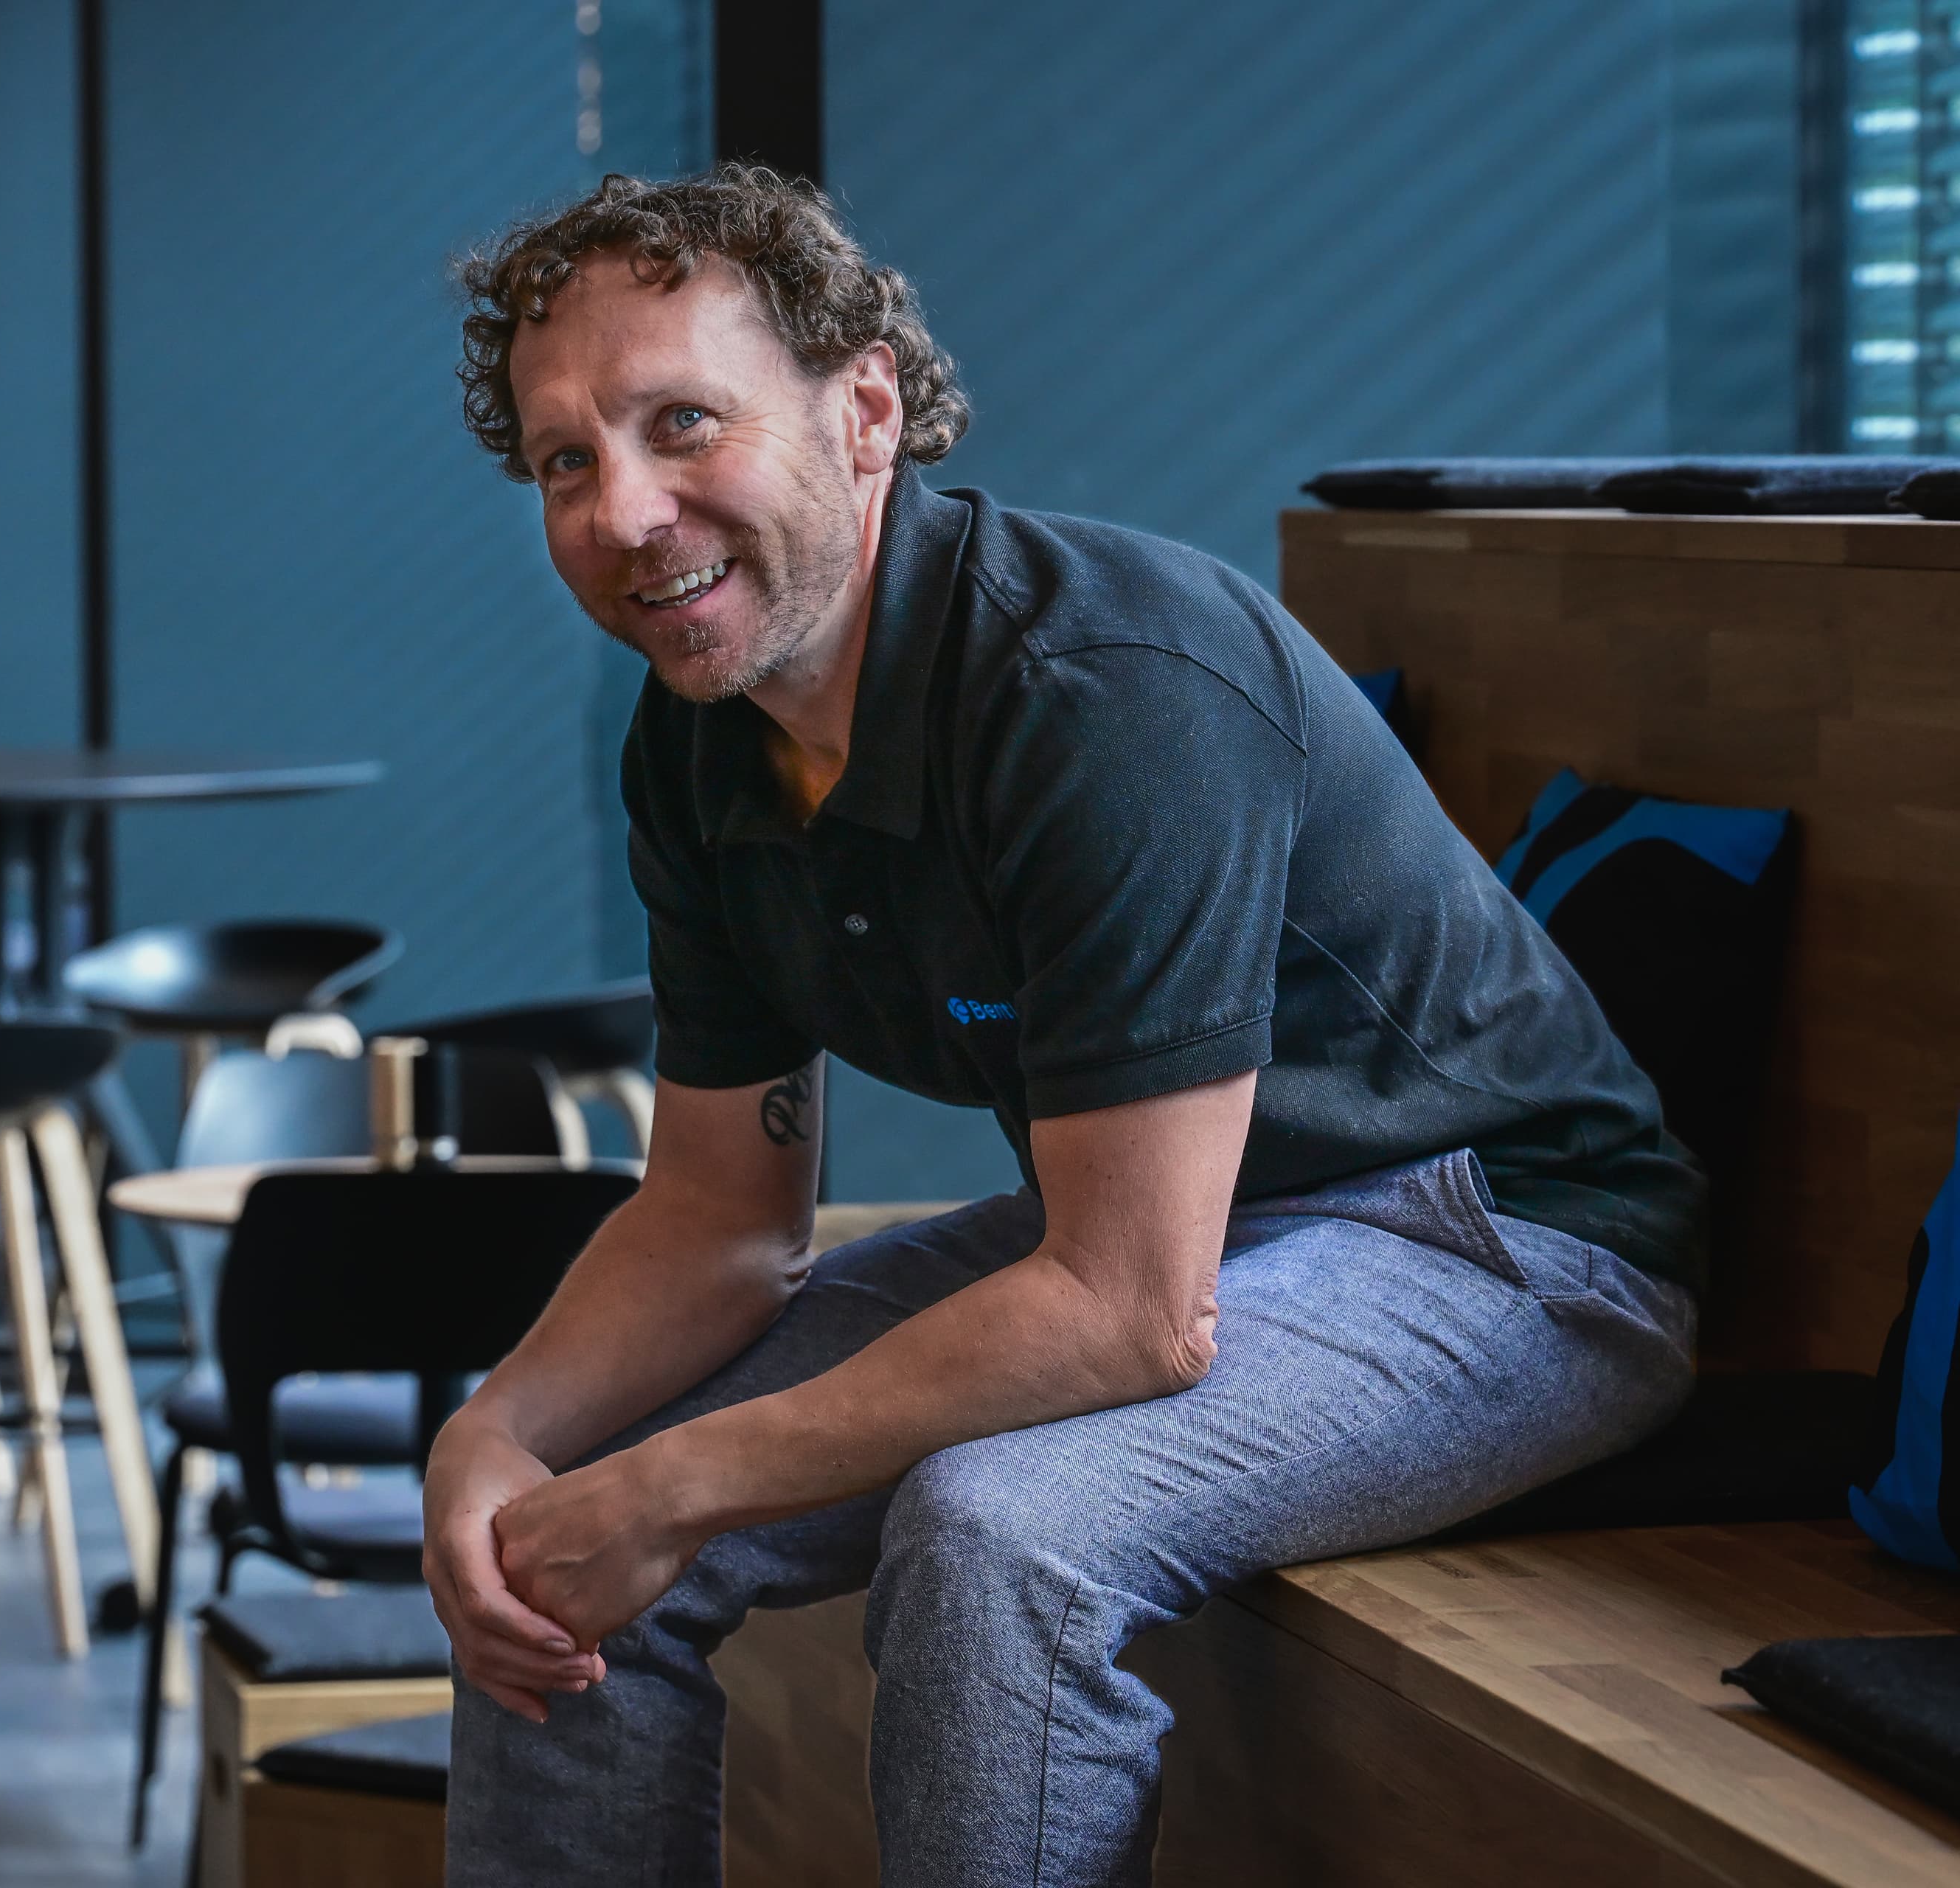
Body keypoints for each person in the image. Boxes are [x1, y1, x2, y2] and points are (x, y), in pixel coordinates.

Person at [422, 165, 1705, 1887]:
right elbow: (718, 1217)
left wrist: (673, 1486)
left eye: (684, 422)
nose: (626, 510)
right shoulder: (701, 737)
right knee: (550, 1515)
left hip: (1500, 1242)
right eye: (567, 461)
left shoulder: (1101, 685)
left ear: (866, 409)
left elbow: (1128, 1312)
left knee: (995, 1532)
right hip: (1184, 1229)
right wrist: (496, 1435)